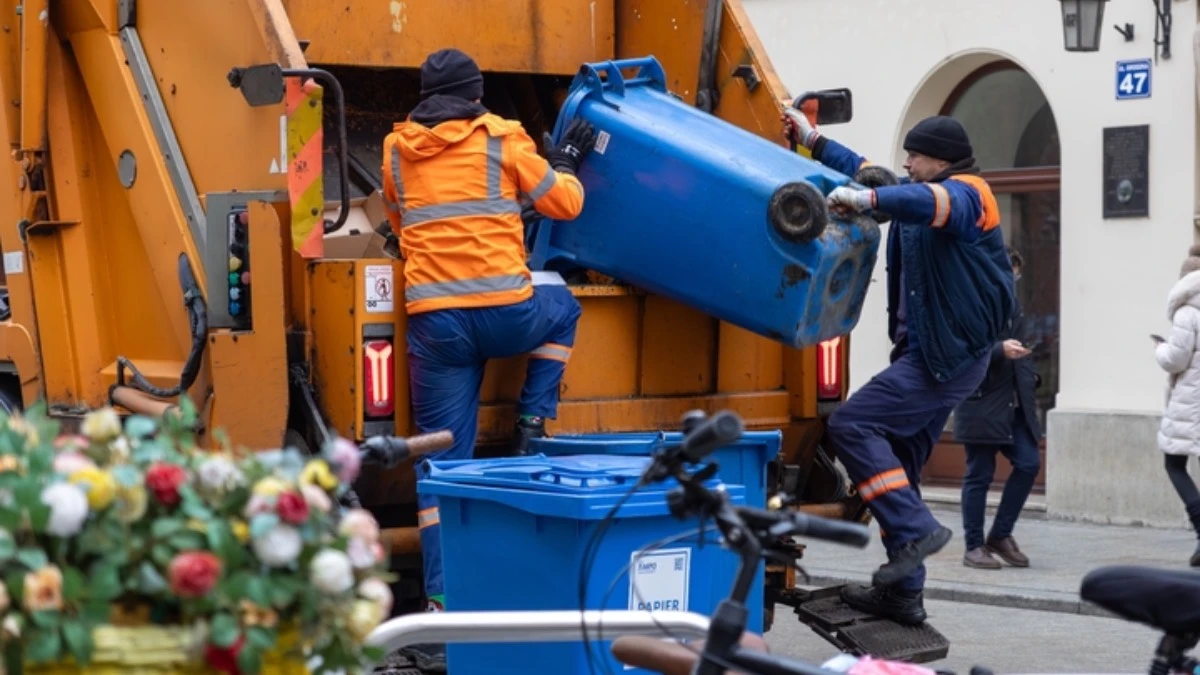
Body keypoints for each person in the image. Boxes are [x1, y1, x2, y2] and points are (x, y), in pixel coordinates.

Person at [380, 47, 596, 671]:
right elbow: (566, 205)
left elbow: (399, 218)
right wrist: (564, 162)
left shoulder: (396, 150)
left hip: (436, 327)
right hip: (508, 316)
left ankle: (444, 600)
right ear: (476, 96)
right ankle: (533, 419)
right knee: (565, 307)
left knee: (440, 465)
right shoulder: (503, 137)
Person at [782, 110, 1014, 626]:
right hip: (930, 356)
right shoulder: (916, 186)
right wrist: (812, 139)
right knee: (898, 471)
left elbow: (934, 203)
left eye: (914, 155)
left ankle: (915, 529)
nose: (905, 163)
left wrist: (869, 201)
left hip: (945, 360)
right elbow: (865, 169)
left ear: (941, 159)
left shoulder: (970, 194)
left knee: (851, 424)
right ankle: (904, 595)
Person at [952, 246, 1042, 570]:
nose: (1013, 277)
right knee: (980, 474)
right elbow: (959, 354)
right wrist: (999, 350)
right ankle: (973, 546)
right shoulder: (970, 302)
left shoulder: (1013, 306)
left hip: (1014, 403)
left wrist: (1030, 375)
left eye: (1016, 271)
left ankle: (1000, 534)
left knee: (1029, 463)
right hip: (981, 402)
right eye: (1009, 270)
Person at [1154, 244, 1200, 567]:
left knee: (1174, 464)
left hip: (1191, 401)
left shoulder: (1187, 312)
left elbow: (1176, 360)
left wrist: (1159, 349)